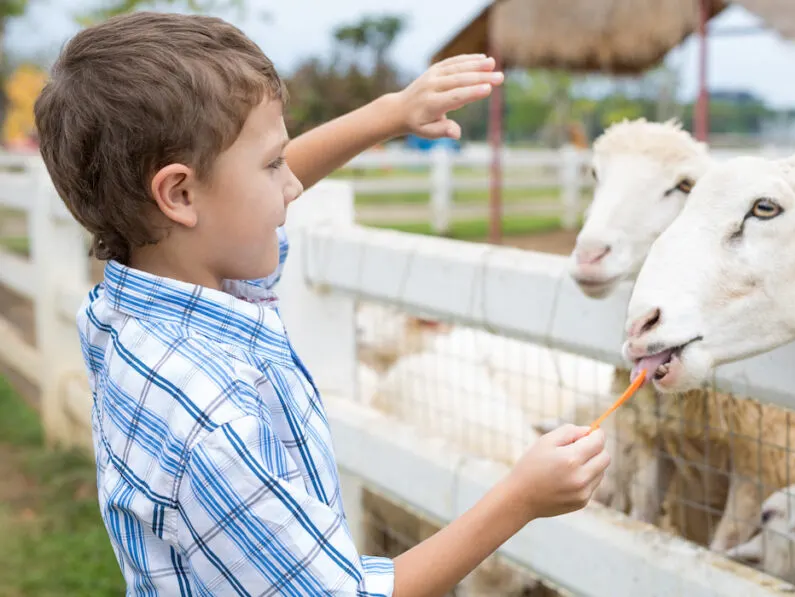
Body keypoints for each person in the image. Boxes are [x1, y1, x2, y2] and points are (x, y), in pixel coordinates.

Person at [33, 11, 611, 597]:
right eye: (273, 164)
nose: (292, 188)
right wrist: (520, 499)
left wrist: (387, 114)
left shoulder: (135, 304)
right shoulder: (212, 419)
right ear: (179, 194)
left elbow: (228, 198)